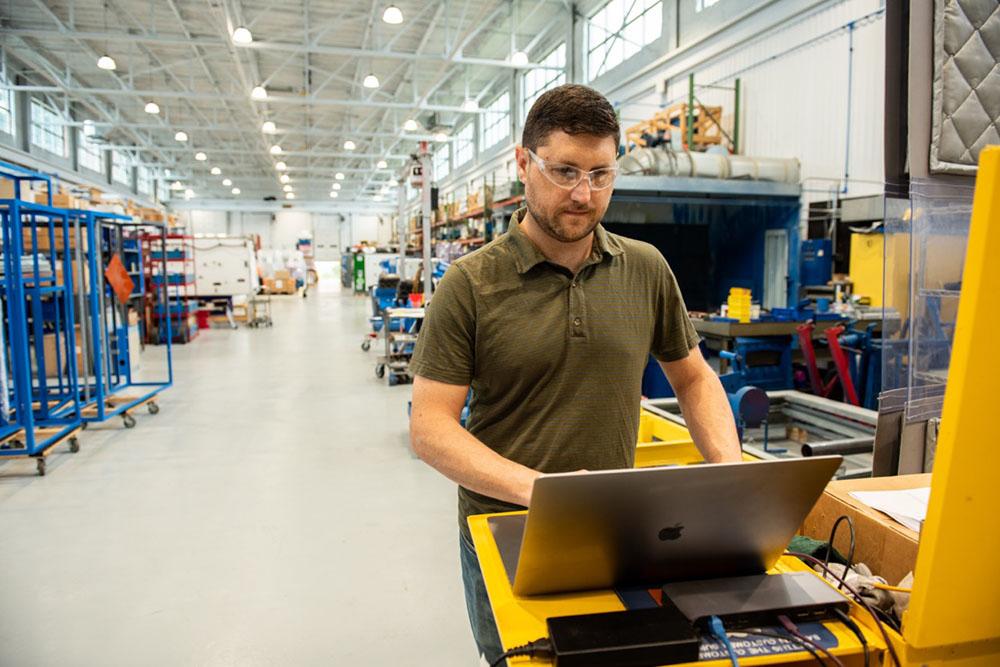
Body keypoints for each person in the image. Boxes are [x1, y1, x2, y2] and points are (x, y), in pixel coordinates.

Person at [408, 83, 742, 662]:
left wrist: (731, 477)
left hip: (616, 532)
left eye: (601, 175)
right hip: (505, 531)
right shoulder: (471, 283)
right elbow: (430, 427)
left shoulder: (646, 268)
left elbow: (693, 377)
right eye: (564, 171)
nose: (583, 195)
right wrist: (541, 491)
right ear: (522, 163)